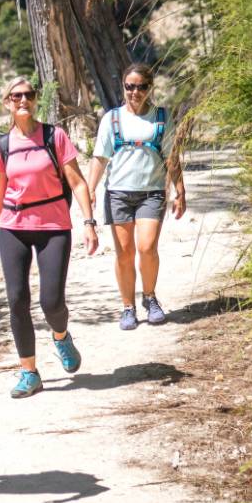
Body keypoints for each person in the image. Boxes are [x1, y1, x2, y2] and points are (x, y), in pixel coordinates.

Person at [0, 78, 99, 398]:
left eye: (28, 95)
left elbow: (78, 183)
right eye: (16, 96)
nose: (23, 100)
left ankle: (60, 336)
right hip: (13, 226)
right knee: (17, 300)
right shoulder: (1, 147)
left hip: (54, 226)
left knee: (51, 301)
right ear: (7, 103)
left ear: (35, 100)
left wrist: (88, 223)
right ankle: (29, 372)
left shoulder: (53, 136)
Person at [85, 63, 186, 329]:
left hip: (151, 193)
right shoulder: (112, 119)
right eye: (130, 87)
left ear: (149, 88)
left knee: (147, 247)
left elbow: (171, 156)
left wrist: (180, 190)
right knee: (125, 253)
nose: (135, 92)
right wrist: (90, 189)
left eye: (141, 87)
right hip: (118, 193)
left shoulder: (161, 117)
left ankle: (150, 297)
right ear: (124, 88)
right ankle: (127, 307)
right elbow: (100, 157)